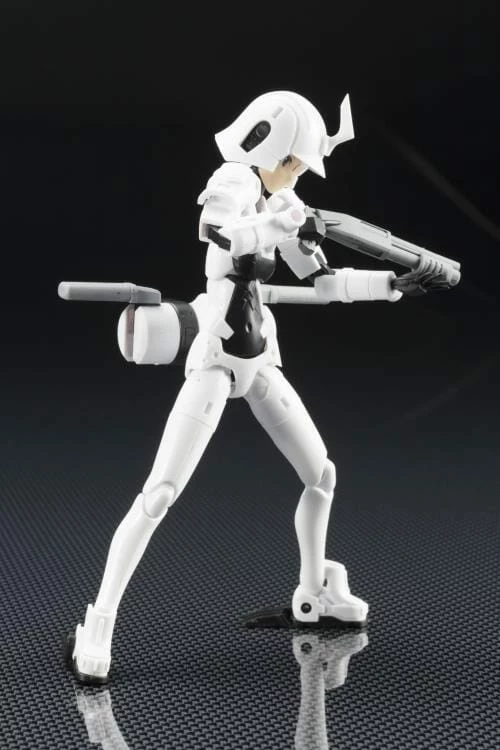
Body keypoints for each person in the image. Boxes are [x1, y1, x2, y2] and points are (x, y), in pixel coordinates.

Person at [68, 91, 431, 684]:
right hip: (215, 359)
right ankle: (99, 621)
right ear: (271, 146)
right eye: (293, 162)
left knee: (321, 475)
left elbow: (322, 281)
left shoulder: (283, 199)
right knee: (159, 493)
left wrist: (391, 284)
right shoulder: (233, 182)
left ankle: (313, 593)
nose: (295, 175)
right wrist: (277, 222)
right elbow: (217, 232)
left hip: (259, 362)